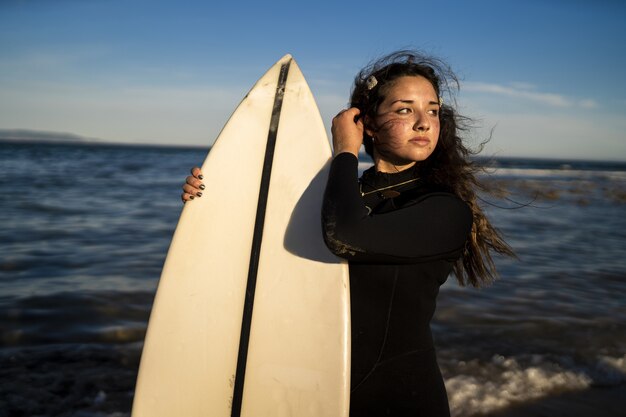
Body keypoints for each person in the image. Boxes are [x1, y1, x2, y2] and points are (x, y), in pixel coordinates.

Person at [182, 50, 514, 417]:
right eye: (405, 109)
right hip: (315, 393)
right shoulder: (341, 198)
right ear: (367, 123)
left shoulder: (444, 209)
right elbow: (263, 249)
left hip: (397, 400)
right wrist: (212, 198)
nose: (423, 122)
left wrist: (344, 150)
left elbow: (345, 236)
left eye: (432, 110)